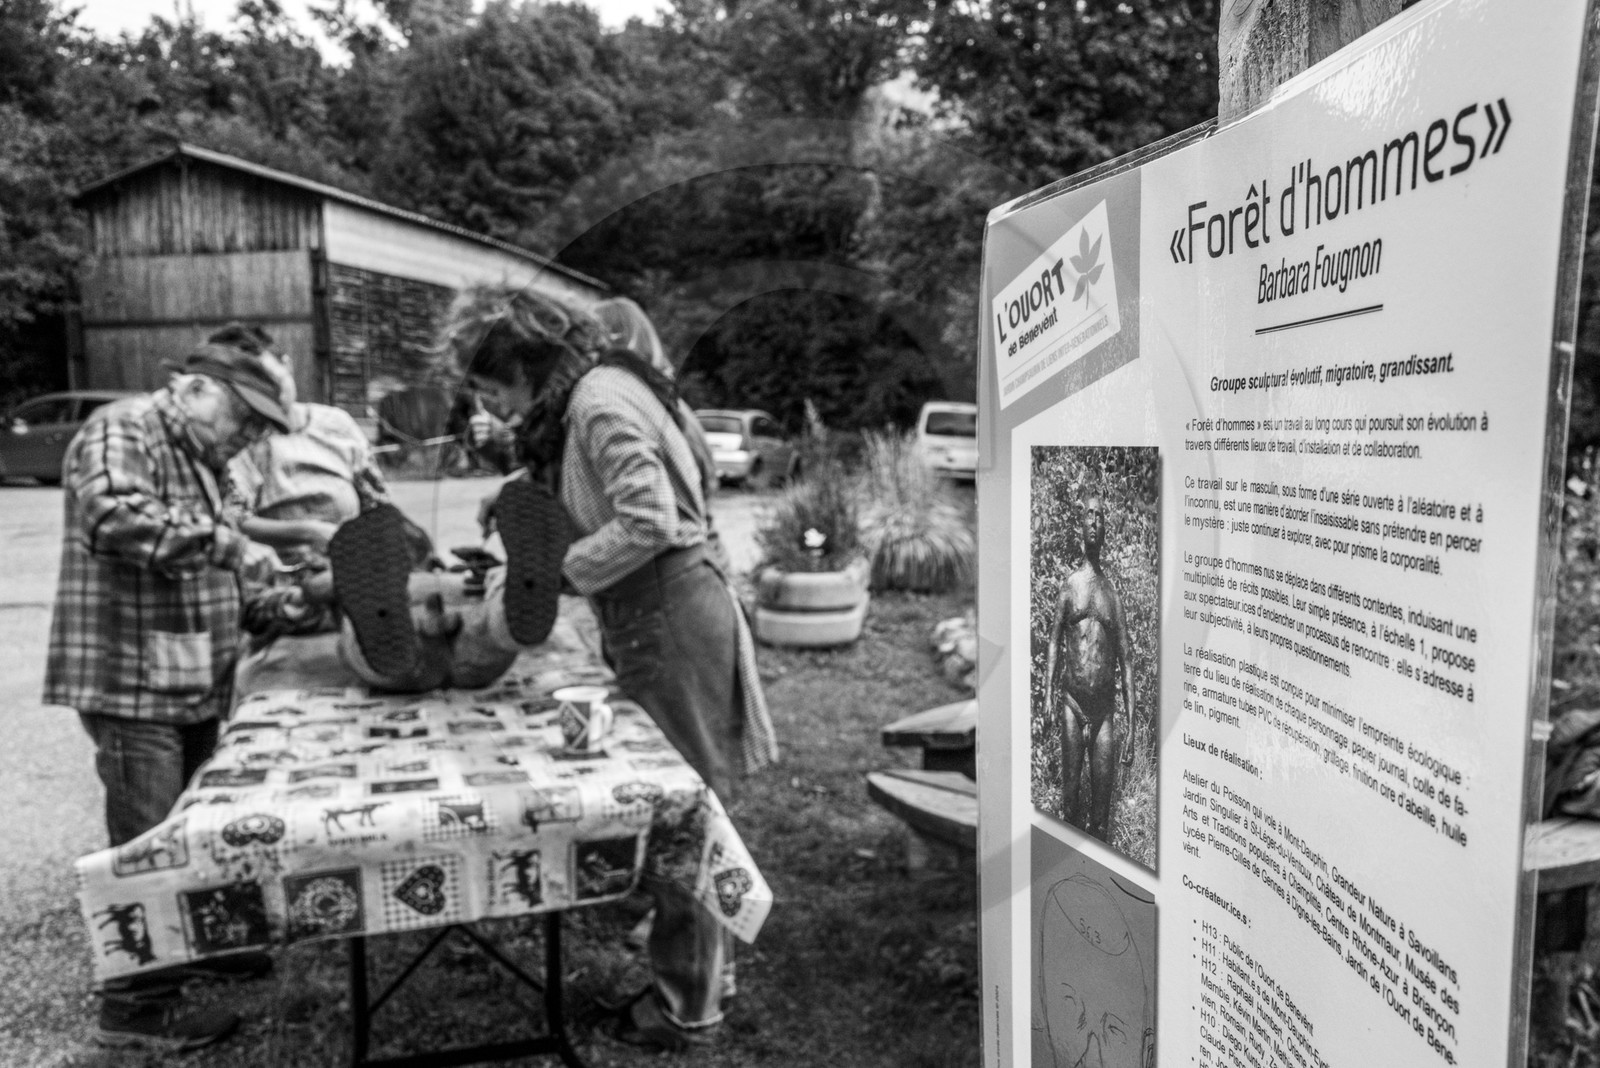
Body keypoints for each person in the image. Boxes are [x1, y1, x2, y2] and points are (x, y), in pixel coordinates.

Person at [446, 284, 778, 1050]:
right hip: (654, 614)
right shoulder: (592, 394)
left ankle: (686, 1009)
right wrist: (518, 496)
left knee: (681, 814)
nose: (493, 408)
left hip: (670, 618)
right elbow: (602, 489)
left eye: (494, 389)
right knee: (685, 805)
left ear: (526, 365)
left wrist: (551, 574)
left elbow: (649, 519)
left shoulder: (597, 399)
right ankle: (707, 977)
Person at [45, 341, 290, 1051]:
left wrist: (275, 597)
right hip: (132, 681)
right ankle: (136, 1008)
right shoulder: (124, 428)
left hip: (191, 678)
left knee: (196, 826)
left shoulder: (210, 460)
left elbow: (222, 557)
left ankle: (207, 943)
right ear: (196, 390)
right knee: (145, 838)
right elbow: (112, 518)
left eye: (261, 427)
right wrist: (229, 546)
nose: (251, 436)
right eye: (245, 418)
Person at [1043, 495, 1135, 842]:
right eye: (1089, 515)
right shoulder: (1069, 586)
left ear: (1105, 529)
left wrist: (1132, 726)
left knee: (1100, 818)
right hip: (1073, 704)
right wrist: (1047, 693)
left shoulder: (1113, 596)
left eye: (1100, 517)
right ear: (1081, 525)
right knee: (1070, 808)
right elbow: (1054, 641)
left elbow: (1126, 659)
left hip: (1103, 714)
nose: (1094, 521)